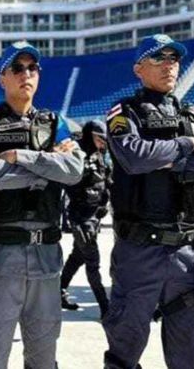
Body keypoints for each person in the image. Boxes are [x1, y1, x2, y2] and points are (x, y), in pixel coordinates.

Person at [102, 34, 194, 369]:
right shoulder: (123, 112)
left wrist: (167, 159)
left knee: (189, 358)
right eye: (158, 59)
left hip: (187, 256)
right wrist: (188, 145)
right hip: (138, 253)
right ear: (138, 68)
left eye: (173, 59)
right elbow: (133, 156)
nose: (169, 65)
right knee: (123, 354)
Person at [0, 41, 84, 369]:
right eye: (17, 68)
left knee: (44, 354)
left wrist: (23, 157)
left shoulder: (54, 121)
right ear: (2, 77)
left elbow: (75, 170)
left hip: (47, 255)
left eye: (32, 68)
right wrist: (48, 168)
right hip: (1, 253)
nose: (26, 74)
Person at [60, 120, 112, 318]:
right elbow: (67, 183)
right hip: (81, 217)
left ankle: (60, 290)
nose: (103, 143)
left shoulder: (100, 155)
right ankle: (105, 307)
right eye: (100, 138)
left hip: (95, 216)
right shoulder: (76, 154)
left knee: (78, 256)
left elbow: (106, 181)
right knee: (93, 261)